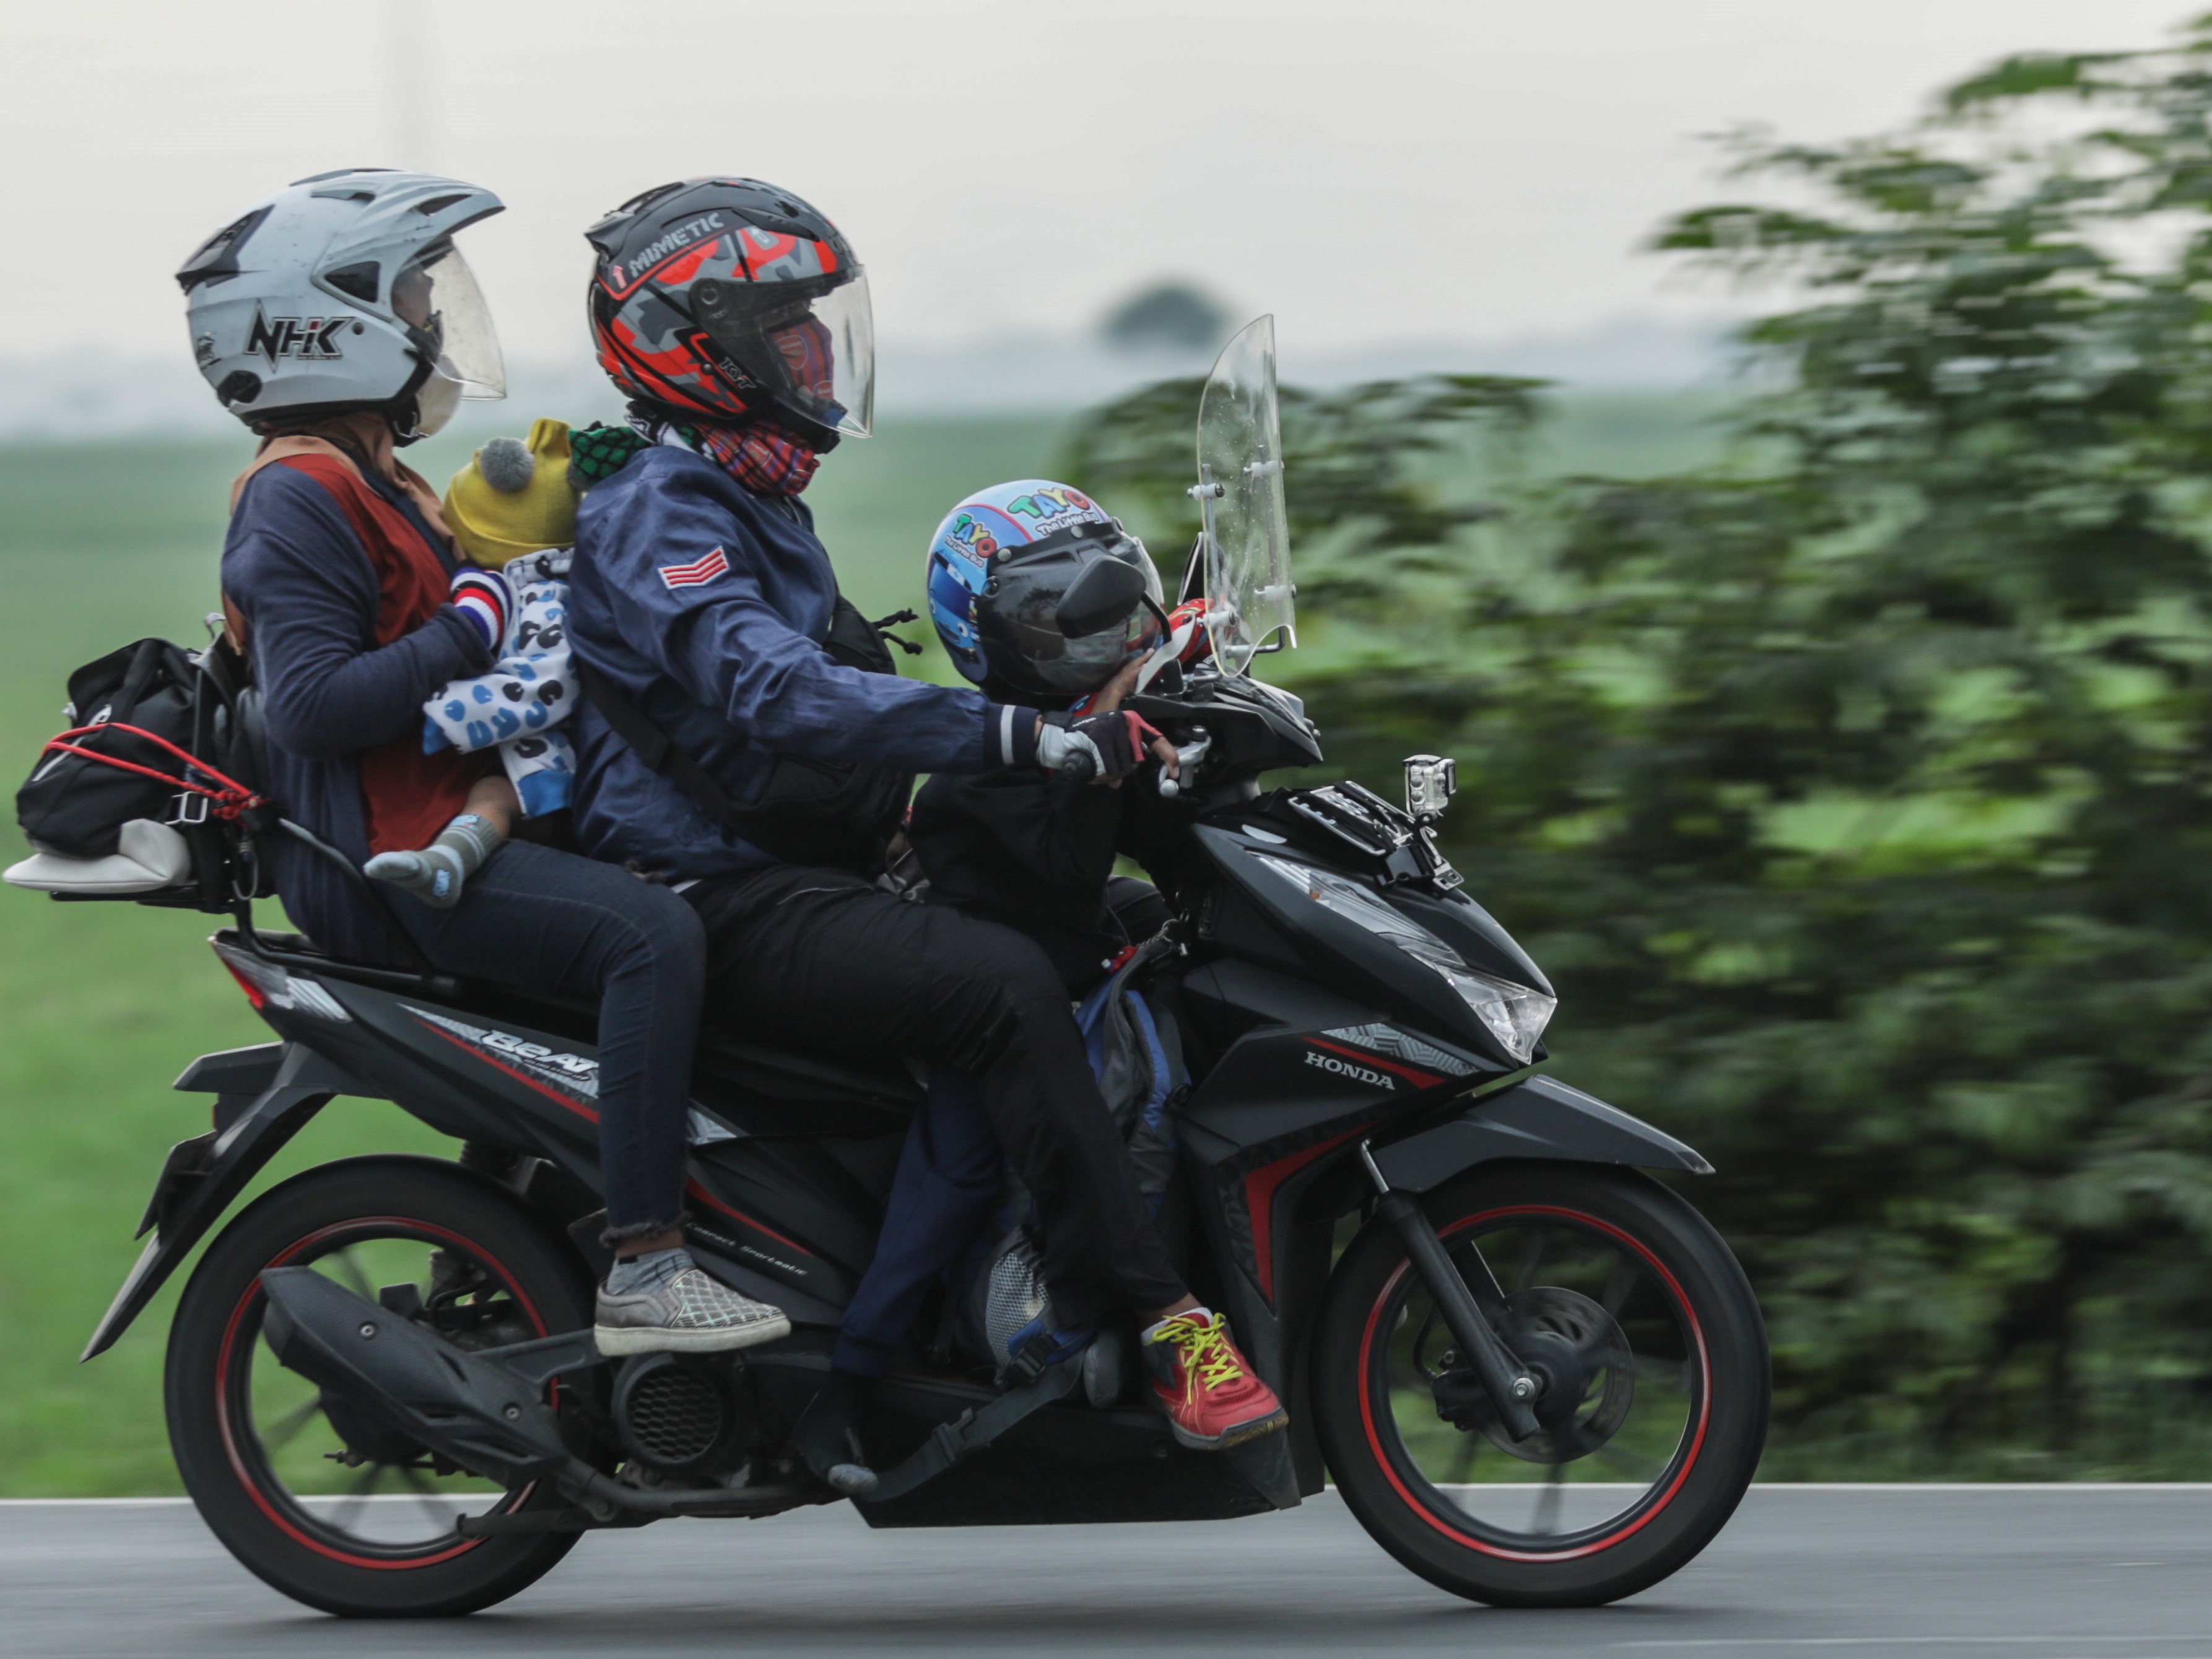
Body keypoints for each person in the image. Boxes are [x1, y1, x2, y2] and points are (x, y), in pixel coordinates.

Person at [559, 178, 1287, 1487]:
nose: (820, 357)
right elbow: (769, 689)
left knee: (1129, 929)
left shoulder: (746, 495)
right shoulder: (660, 510)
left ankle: (1023, 1268)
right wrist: (1022, 735)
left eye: (820, 328)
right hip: (720, 890)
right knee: (1002, 984)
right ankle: (1158, 1315)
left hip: (810, 859)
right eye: (790, 333)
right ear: (698, 346)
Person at [186, 168, 783, 1355]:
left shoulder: (371, 474)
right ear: (323, 324)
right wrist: (472, 622)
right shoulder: (298, 494)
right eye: (412, 298)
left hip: (437, 822)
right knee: (648, 935)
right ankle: (648, 1261)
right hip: (390, 861)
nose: (431, 322)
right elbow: (310, 705)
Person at [367, 419, 583, 906]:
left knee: (494, 796)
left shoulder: (544, 599)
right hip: (539, 750)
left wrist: (449, 712)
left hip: (555, 757)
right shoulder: (534, 585)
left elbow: (545, 684)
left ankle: (446, 865)